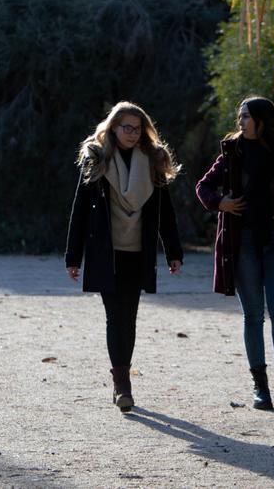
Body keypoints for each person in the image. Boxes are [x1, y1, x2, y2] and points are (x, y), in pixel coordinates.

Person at [195, 96, 274, 410]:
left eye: (246, 116)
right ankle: (259, 387)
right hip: (242, 243)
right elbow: (203, 187)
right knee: (252, 315)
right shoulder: (231, 151)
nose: (241, 122)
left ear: (262, 120)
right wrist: (220, 202)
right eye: (240, 116)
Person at [65, 102, 184, 413]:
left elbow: (165, 212)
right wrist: (73, 256)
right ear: (113, 128)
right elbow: (80, 210)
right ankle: (122, 384)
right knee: (115, 316)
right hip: (107, 250)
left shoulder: (153, 160)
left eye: (137, 128)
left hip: (138, 251)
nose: (132, 134)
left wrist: (173, 252)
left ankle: (122, 379)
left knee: (128, 317)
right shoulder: (97, 158)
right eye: (126, 128)